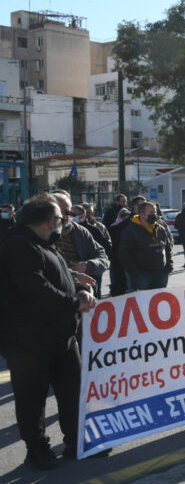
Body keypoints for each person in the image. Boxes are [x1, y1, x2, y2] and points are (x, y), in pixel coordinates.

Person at [0, 195, 97, 469]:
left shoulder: (42, 243)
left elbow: (55, 276)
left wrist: (76, 288)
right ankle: (37, 449)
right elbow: (35, 288)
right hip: (28, 340)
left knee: (72, 391)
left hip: (61, 335)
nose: (64, 223)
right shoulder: (18, 245)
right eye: (62, 218)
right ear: (50, 221)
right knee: (32, 397)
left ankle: (76, 441)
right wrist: (74, 303)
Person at [52, 192, 109, 298]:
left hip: (81, 293)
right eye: (60, 212)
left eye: (68, 212)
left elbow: (102, 257)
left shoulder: (80, 231)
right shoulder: (42, 232)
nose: (65, 216)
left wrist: (86, 266)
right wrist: (73, 275)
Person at [119, 201, 173, 292]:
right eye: (151, 213)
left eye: (155, 212)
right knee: (142, 304)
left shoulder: (160, 229)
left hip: (161, 274)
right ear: (142, 215)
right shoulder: (130, 231)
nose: (155, 215)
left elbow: (168, 248)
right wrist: (136, 273)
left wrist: (169, 265)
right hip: (142, 276)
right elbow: (124, 254)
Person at [107, 207, 133, 296]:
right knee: (119, 279)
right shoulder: (115, 227)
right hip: (117, 258)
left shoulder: (114, 226)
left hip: (117, 258)